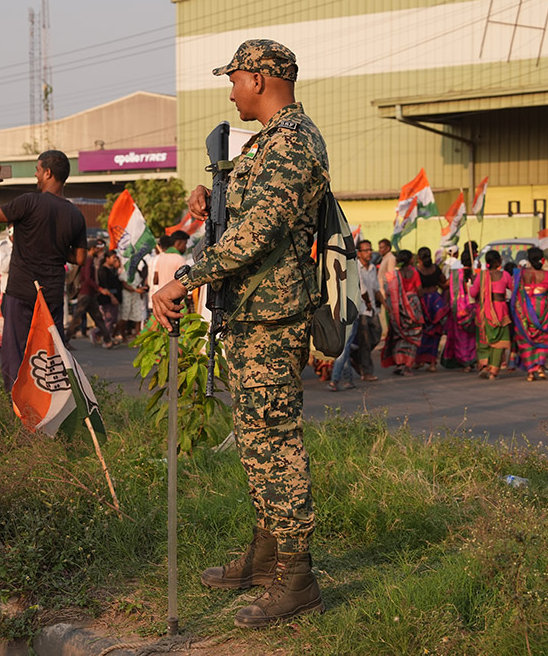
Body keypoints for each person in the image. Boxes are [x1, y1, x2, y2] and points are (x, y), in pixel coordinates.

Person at [151, 39, 328, 628]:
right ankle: (265, 556)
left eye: (235, 79)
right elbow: (245, 216)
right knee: (257, 443)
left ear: (260, 78)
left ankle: (296, 578)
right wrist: (213, 198)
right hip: (253, 314)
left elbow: (260, 232)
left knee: (275, 443)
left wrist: (187, 278)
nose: (230, 90)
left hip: (273, 319)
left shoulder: (295, 142)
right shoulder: (267, 145)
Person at [0, 152, 87, 390]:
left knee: (15, 355)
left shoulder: (28, 201)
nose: (36, 174)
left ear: (48, 172)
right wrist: (57, 249)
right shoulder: (75, 214)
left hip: (21, 292)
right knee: (49, 356)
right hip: (51, 295)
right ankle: (49, 409)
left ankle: (19, 409)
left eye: (38, 169)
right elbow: (80, 257)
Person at [511, 246, 548, 381]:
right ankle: (540, 368)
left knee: (526, 339)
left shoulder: (520, 273)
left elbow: (512, 287)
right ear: (542, 260)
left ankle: (530, 372)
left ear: (528, 260)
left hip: (524, 311)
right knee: (542, 337)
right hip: (542, 310)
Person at [380, 249, 424, 376]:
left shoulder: (393, 276)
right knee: (413, 337)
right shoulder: (414, 273)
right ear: (410, 259)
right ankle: (407, 366)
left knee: (399, 336)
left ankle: (399, 364)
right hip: (413, 308)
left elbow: (388, 291)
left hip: (397, 308)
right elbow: (420, 291)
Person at [470, 250, 513, 379]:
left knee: (484, 339)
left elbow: (473, 293)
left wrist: (473, 283)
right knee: (499, 341)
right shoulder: (505, 275)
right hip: (500, 311)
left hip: (484, 312)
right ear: (498, 262)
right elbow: (514, 288)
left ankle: (484, 365)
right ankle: (493, 371)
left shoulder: (481, 276)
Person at [64, 240, 115, 347]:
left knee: (98, 317)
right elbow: (87, 279)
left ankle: (108, 340)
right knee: (77, 318)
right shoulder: (88, 260)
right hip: (85, 293)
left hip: (90, 294)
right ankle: (65, 339)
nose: (99, 250)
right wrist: (100, 289)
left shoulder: (90, 260)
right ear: (92, 248)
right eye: (97, 247)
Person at [414, 246, 448, 372]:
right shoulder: (436, 269)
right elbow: (443, 283)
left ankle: (419, 361)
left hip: (423, 302)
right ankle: (432, 364)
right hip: (436, 302)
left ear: (419, 258)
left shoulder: (416, 271)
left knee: (422, 333)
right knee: (436, 333)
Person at [441, 261, 477, 372]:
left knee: (460, 338)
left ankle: (465, 363)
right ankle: (470, 360)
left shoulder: (456, 276)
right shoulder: (475, 274)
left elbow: (445, 286)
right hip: (471, 308)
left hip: (458, 309)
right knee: (470, 338)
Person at [355, 239, 382, 381]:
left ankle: (357, 355)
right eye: (366, 250)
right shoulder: (355, 268)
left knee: (377, 334)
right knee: (365, 340)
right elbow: (362, 290)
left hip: (372, 309)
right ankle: (366, 371)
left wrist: (384, 303)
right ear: (359, 253)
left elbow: (376, 289)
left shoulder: (372, 268)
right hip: (361, 309)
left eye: (370, 249)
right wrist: (368, 303)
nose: (369, 252)